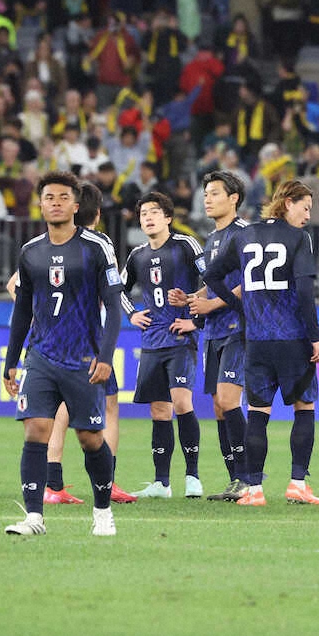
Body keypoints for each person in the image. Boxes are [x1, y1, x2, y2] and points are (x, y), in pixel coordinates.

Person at [1, 171, 124, 537]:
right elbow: (23, 308)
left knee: (90, 438)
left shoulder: (96, 246)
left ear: (75, 204)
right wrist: (11, 361)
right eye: (48, 197)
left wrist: (105, 356)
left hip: (83, 358)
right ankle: (34, 517)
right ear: (40, 204)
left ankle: (103, 512)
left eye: (62, 197)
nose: (55, 202)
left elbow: (114, 307)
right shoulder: (30, 252)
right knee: (36, 429)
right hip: (40, 355)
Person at [203, 179, 319, 506]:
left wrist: (238, 304)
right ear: (288, 202)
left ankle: (254, 490)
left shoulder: (244, 235)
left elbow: (211, 276)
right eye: (305, 207)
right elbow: (304, 291)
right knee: (304, 408)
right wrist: (315, 337)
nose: (308, 216)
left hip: (255, 340)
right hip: (291, 338)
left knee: (257, 412)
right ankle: (298, 483)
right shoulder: (299, 238)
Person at [169, 171, 249, 502]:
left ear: (234, 199)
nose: (207, 198)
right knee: (218, 406)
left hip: (239, 328)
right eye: (206, 193)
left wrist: (211, 303)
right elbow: (215, 281)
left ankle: (247, 479)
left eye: (215, 192)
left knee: (230, 401)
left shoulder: (244, 234)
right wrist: (191, 299)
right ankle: (235, 480)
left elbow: (249, 281)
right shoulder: (213, 238)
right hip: (214, 330)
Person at [121, 192, 204, 499]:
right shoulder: (137, 255)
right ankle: (161, 483)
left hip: (181, 338)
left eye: (155, 212)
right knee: (159, 410)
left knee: (182, 403)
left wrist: (196, 320)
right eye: (144, 214)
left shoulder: (186, 245)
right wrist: (132, 314)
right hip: (152, 341)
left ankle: (193, 477)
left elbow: (213, 279)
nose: (148, 217)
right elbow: (118, 289)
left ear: (168, 217)